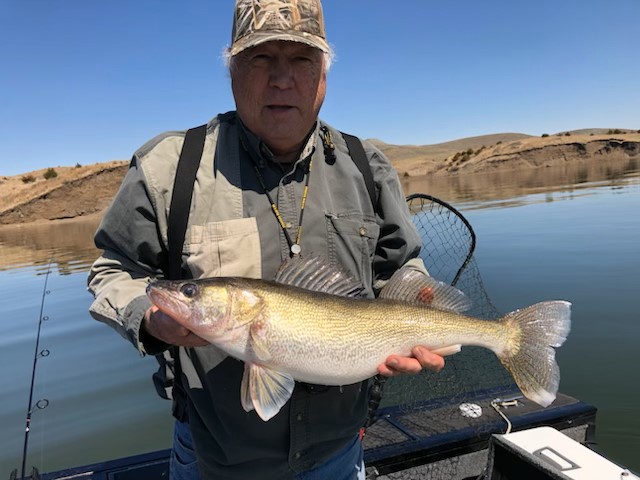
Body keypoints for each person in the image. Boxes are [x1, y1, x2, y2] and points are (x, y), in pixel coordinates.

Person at [87, 1, 445, 478]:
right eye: (260, 59)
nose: (282, 79)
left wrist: (417, 297)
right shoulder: (168, 168)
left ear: (323, 76)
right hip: (214, 458)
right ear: (232, 71)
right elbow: (115, 270)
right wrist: (150, 320)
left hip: (339, 453)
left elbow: (401, 266)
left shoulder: (367, 165)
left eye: (301, 60)